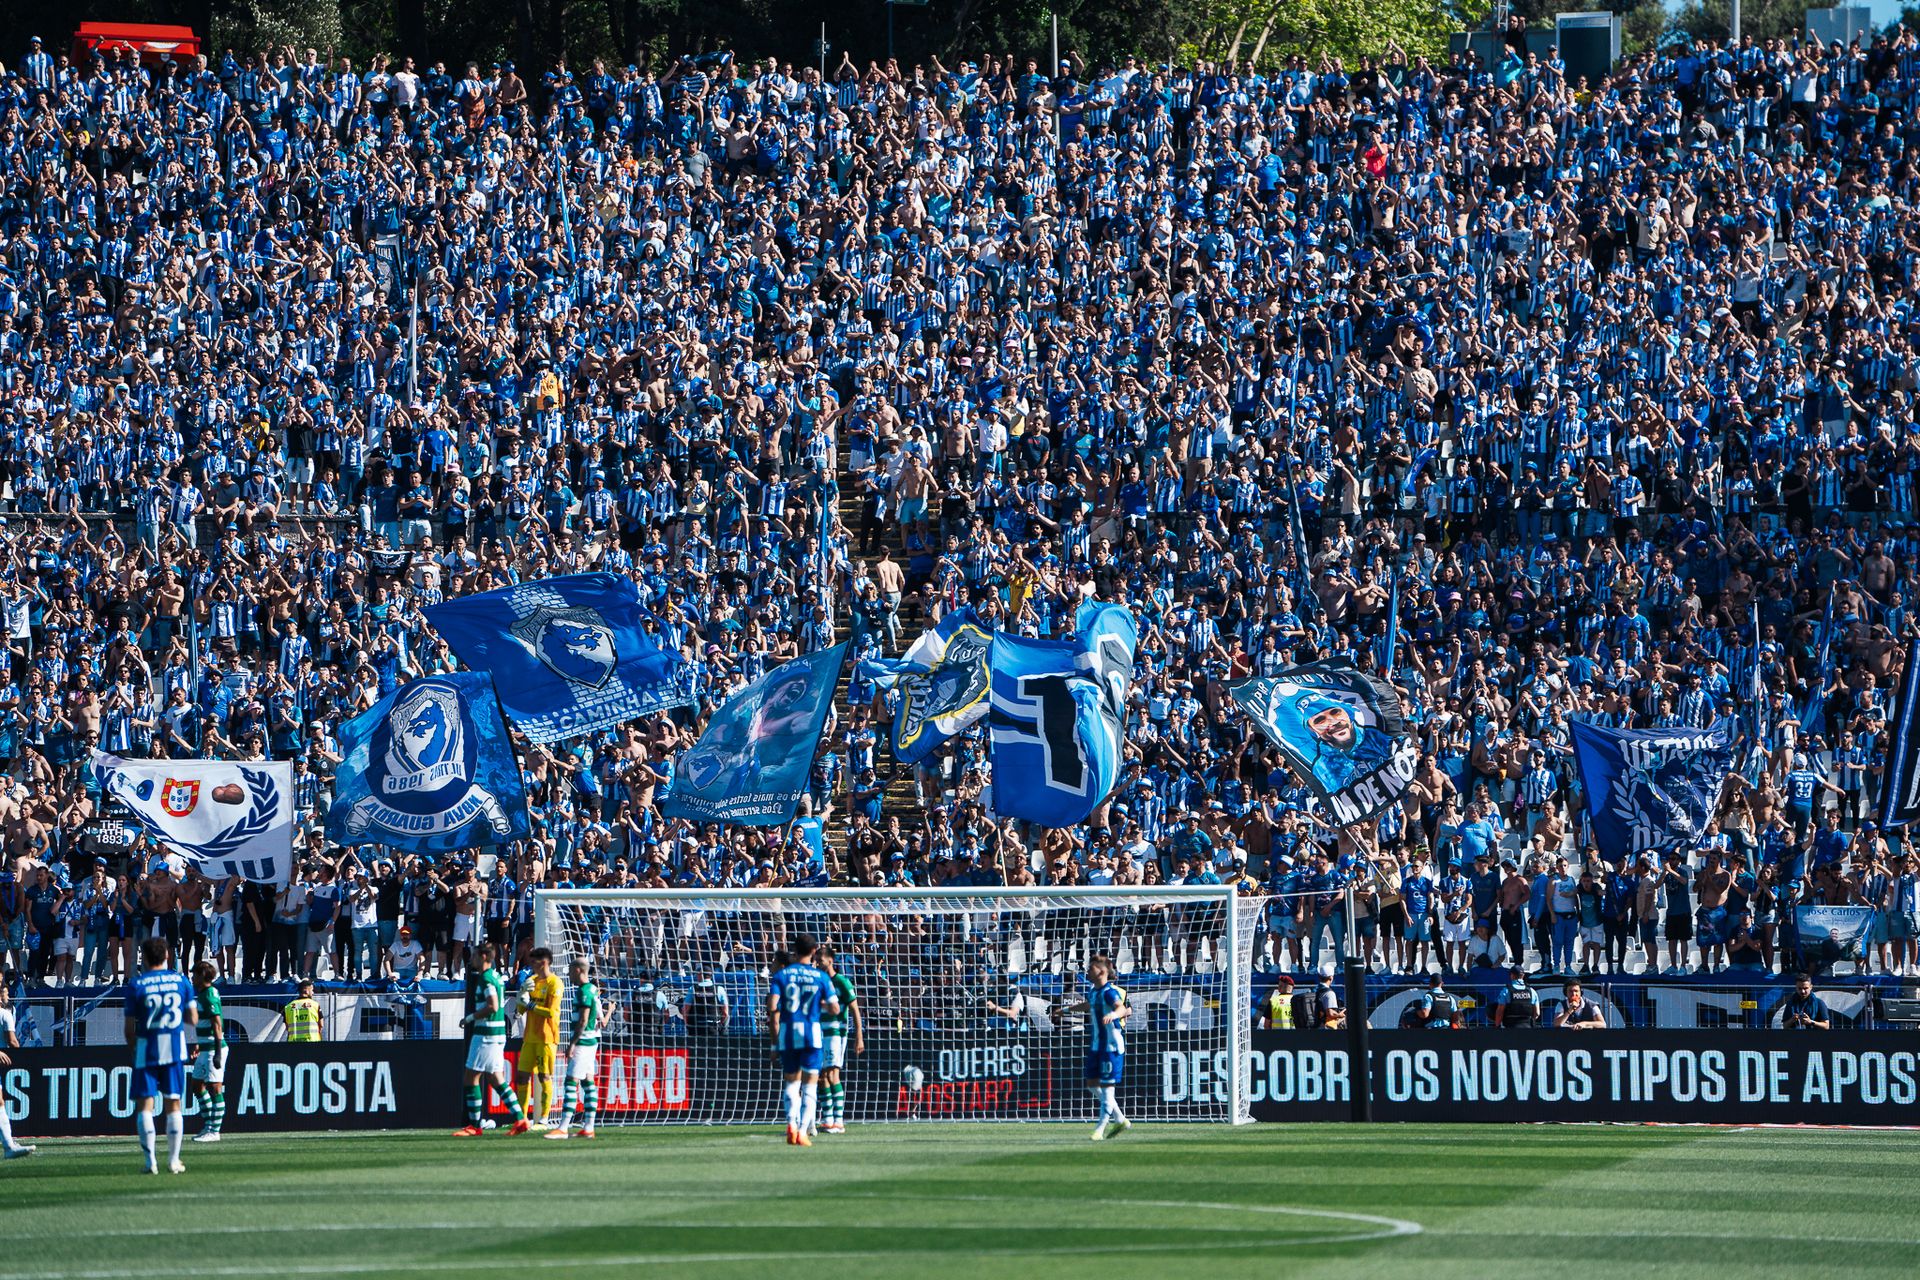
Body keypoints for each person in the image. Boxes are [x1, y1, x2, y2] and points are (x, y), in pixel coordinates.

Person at [125, 937, 197, 1174]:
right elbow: (193, 1019)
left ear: (144, 958)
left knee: (145, 1105)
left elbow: (129, 1029)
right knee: (173, 1103)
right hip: (174, 1047)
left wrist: (134, 1050)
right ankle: (174, 1161)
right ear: (167, 956)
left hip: (147, 1047)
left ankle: (151, 1163)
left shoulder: (136, 984)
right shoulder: (181, 981)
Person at [768, 934, 838, 1147]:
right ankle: (802, 1131)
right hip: (811, 1034)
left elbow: (772, 1007)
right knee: (810, 1086)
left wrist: (774, 1042)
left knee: (792, 1082)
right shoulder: (821, 977)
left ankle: (791, 1123)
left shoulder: (782, 975)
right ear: (814, 951)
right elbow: (835, 1008)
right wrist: (822, 1004)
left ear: (794, 950)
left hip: (789, 1032)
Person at [454, 943, 531, 1137]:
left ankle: (474, 1126)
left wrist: (470, 1018)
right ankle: (520, 1119)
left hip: (486, 1034)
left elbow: (493, 1006)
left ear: (483, 957)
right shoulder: (496, 977)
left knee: (471, 1077)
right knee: (496, 1079)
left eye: (474, 956)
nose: (472, 959)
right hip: (497, 1033)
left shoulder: (486, 978)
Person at [547, 957, 603, 1141]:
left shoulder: (584, 991)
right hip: (591, 1041)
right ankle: (588, 1128)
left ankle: (563, 1128)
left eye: (570, 971)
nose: (569, 975)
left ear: (578, 970)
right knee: (588, 1082)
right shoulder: (592, 989)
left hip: (583, 1042)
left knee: (571, 1081)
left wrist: (572, 1043)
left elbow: (584, 1020)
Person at [815, 944, 863, 1135]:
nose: (818, 963)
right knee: (821, 1077)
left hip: (836, 1033)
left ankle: (839, 1121)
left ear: (830, 961)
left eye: (820, 960)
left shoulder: (841, 982)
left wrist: (859, 1036)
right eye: (816, 960)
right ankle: (827, 1120)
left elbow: (855, 1010)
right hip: (820, 1033)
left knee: (833, 1075)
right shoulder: (820, 982)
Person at [1083, 953, 1131, 1141]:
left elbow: (1122, 1008)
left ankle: (1099, 1129)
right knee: (1092, 1085)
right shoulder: (1093, 992)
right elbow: (1089, 1005)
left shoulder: (1111, 992)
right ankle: (1120, 1119)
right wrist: (1067, 1010)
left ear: (1102, 971)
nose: (1087, 971)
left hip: (1112, 1046)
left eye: (1091, 968)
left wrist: (1113, 1014)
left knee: (1107, 1088)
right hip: (1097, 1046)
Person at [514, 947, 563, 1128]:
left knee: (544, 1076)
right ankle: (522, 1118)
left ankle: (544, 1118)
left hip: (547, 1037)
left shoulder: (555, 983)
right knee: (522, 1077)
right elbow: (521, 1010)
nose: (531, 966)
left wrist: (531, 1005)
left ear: (544, 962)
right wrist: (521, 995)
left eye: (534, 962)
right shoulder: (532, 981)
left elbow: (551, 1012)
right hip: (529, 1037)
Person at [188, 962, 228, 1143]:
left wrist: (218, 1052)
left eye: (194, 974)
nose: (192, 978)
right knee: (197, 1086)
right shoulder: (204, 993)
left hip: (213, 1049)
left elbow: (217, 1024)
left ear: (201, 976)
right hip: (205, 1048)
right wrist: (199, 1044)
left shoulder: (209, 995)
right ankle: (208, 1125)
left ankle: (214, 1131)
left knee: (215, 1088)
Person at [0, 979, 35, 1159]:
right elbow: (13, 1042)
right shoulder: (4, 1015)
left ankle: (9, 1145)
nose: (5, 996)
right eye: (3, 993)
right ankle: (9, 1146)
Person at [280, 977, 323, 1043]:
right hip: (312, 1042)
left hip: (293, 1043)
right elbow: (321, 1025)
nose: (313, 992)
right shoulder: (315, 1005)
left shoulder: (288, 1007)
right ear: (307, 991)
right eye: (312, 990)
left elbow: (287, 1027)